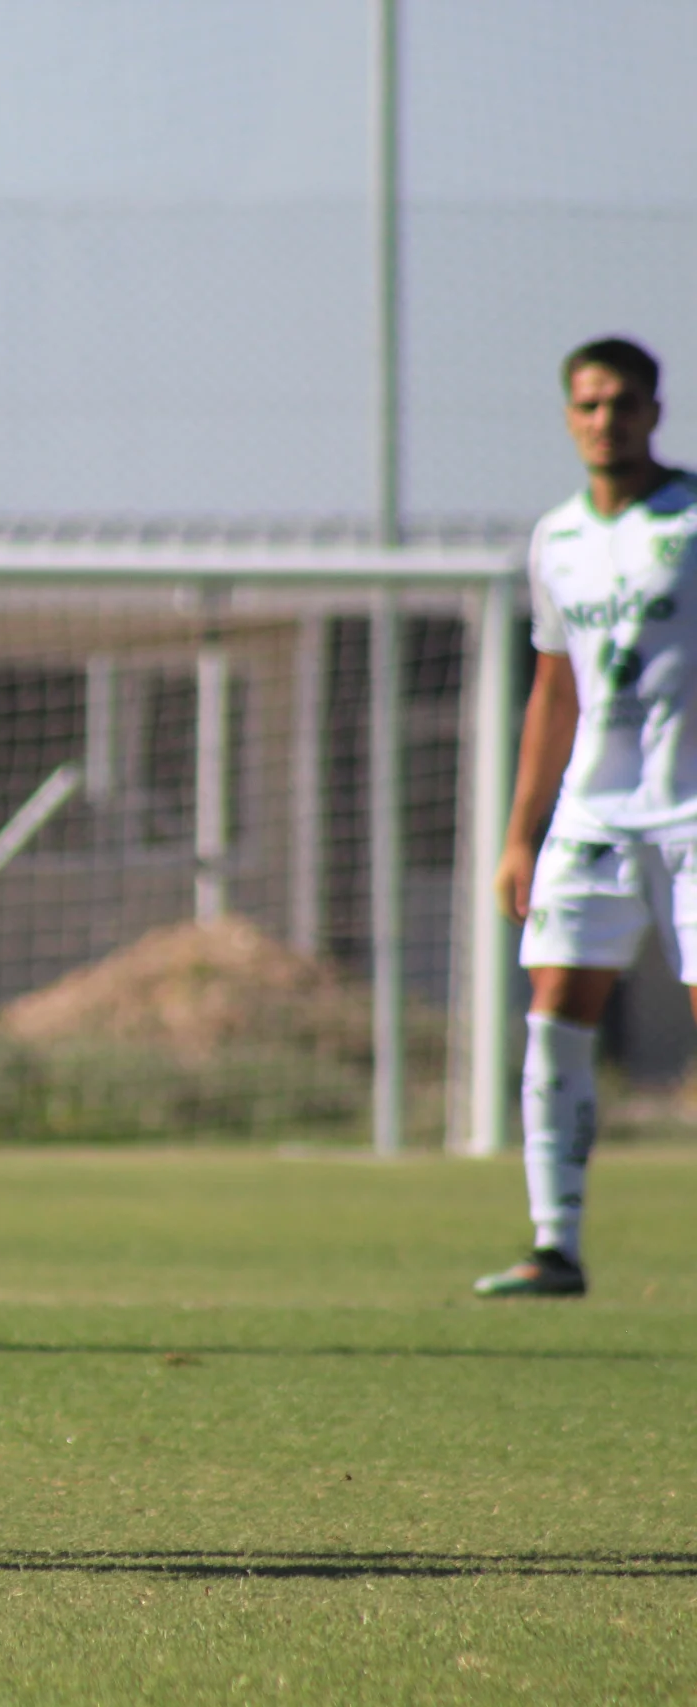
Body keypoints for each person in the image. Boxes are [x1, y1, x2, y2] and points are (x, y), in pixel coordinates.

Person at [480, 336, 694, 1299]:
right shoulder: (555, 539)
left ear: (657, 412)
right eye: (589, 404)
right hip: (594, 817)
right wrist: (521, 832)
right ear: (570, 416)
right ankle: (553, 1244)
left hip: (693, 815)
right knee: (556, 1020)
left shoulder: (692, 519)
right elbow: (552, 697)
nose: (606, 421)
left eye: (624, 404)